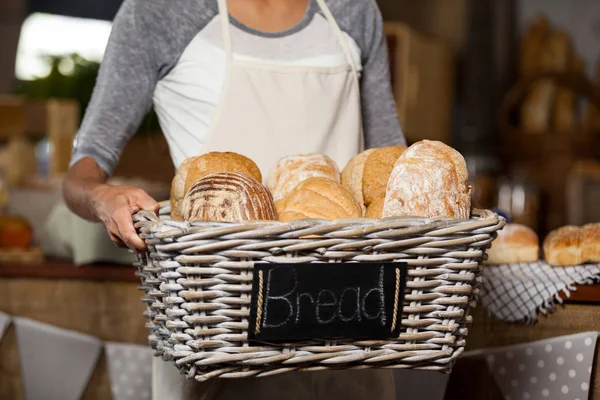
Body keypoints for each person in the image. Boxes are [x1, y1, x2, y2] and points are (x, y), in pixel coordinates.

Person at [63, 0, 406, 398]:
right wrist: (104, 198)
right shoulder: (157, 12)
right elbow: (82, 172)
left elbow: (391, 168)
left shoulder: (352, 10)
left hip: (351, 321)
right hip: (217, 326)